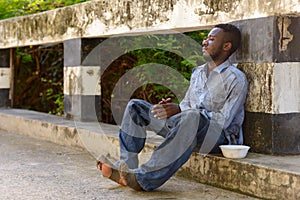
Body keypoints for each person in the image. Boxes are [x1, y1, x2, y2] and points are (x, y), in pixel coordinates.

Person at [97, 23, 248, 191]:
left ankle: (143, 179)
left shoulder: (236, 79)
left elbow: (224, 120)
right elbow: (187, 105)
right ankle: (126, 167)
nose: (205, 42)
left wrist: (184, 112)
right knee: (136, 107)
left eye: (211, 39)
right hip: (186, 128)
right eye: (206, 38)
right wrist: (170, 109)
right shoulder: (197, 72)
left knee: (192, 117)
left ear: (226, 46)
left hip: (216, 138)